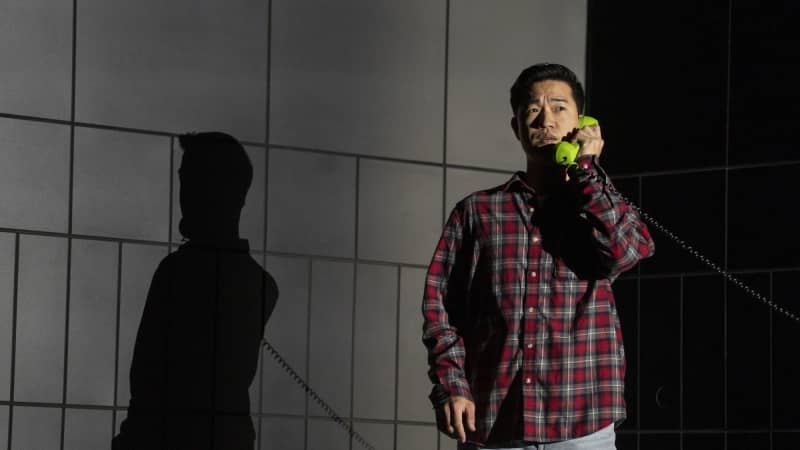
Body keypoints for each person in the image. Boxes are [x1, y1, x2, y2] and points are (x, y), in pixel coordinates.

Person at [422, 62, 655, 449]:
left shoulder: (600, 205)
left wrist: (587, 170)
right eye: (532, 109)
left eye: (559, 107)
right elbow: (440, 307)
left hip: (583, 427)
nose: (546, 119)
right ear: (516, 127)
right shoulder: (477, 212)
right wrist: (451, 385)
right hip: (497, 425)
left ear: (582, 122)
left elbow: (625, 251)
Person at [113, 132, 278, 450]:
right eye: (184, 181)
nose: (184, 194)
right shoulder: (262, 284)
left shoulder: (178, 271)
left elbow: (147, 384)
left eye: (194, 181)